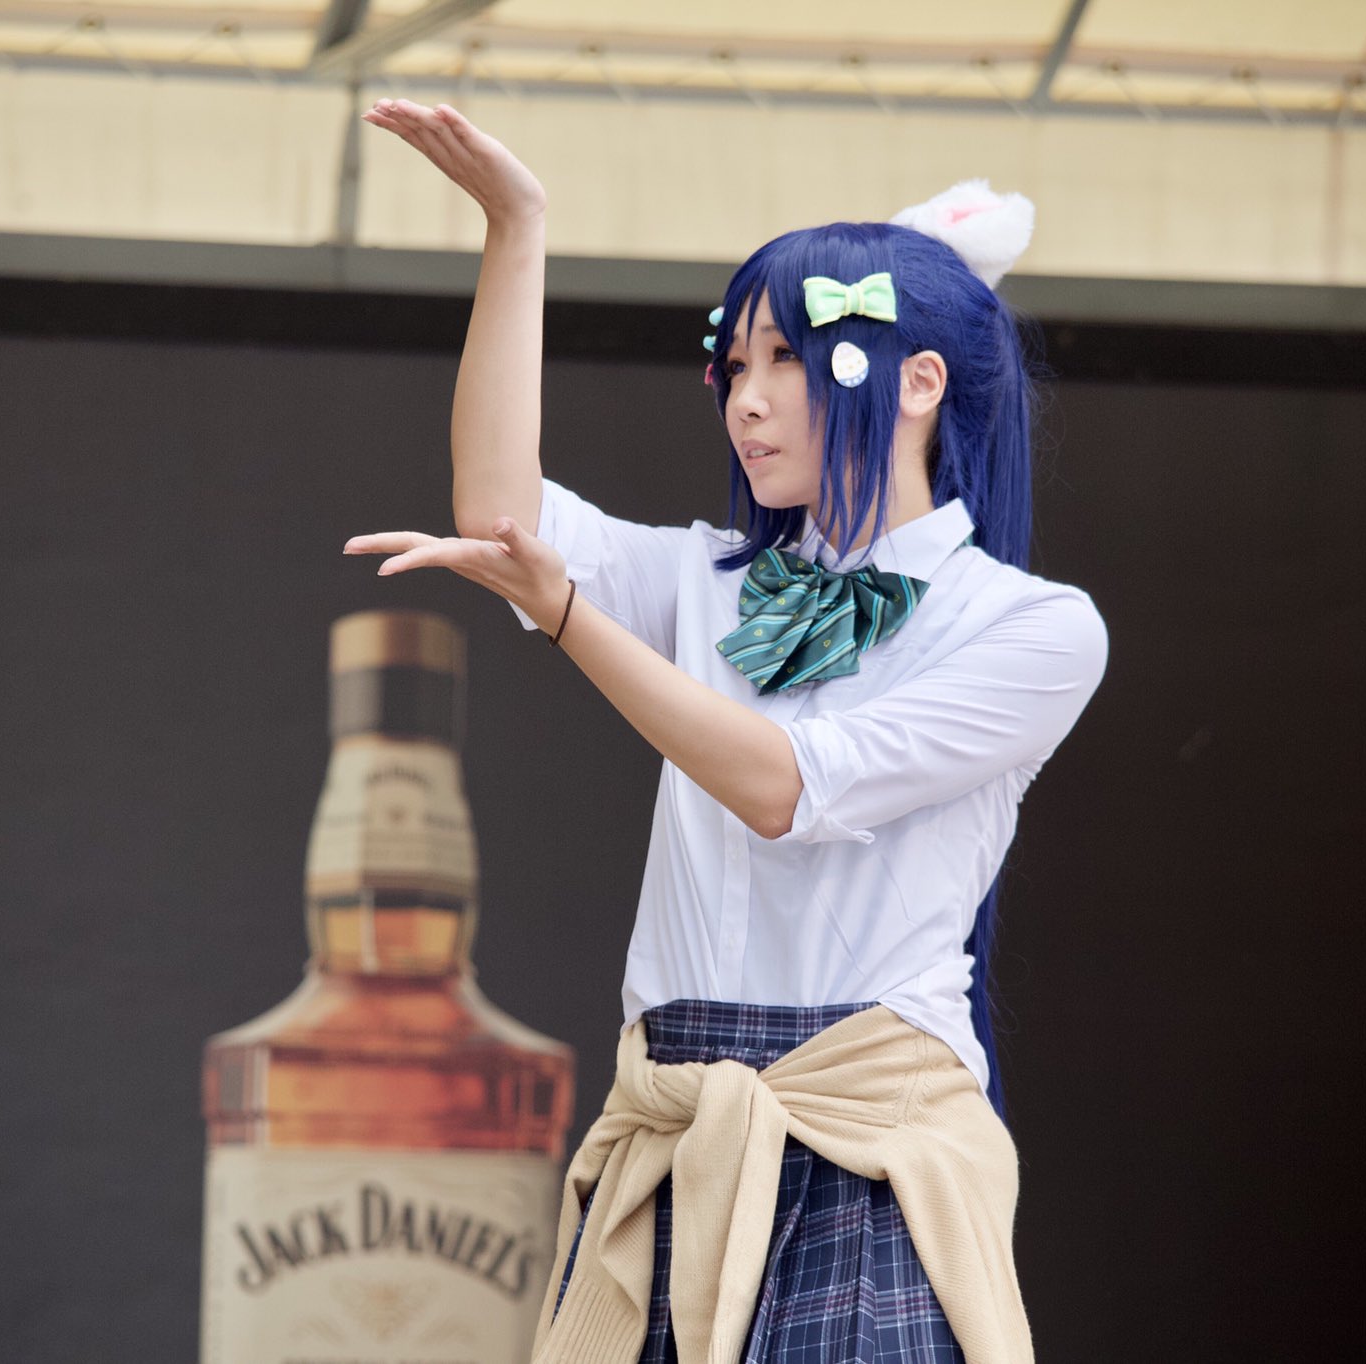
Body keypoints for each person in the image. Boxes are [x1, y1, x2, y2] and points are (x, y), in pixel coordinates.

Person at [345, 99, 1107, 1364]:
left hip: (868, 1144)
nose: (745, 403)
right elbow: (497, 511)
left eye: (785, 363)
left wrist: (572, 616)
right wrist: (516, 228)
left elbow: (783, 787)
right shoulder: (706, 580)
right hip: (677, 1121)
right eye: (732, 366)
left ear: (918, 383)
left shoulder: (1031, 626)